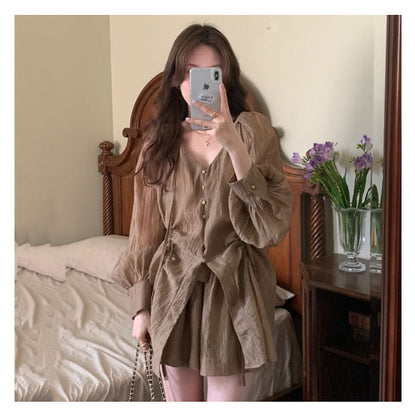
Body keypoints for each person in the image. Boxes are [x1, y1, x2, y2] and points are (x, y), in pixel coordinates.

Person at [112, 23, 293, 401]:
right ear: (176, 78)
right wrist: (140, 308)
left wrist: (233, 146)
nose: (199, 85)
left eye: (212, 73)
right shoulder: (158, 144)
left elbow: (270, 226)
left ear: (225, 79)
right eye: (190, 73)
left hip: (235, 292)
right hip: (174, 289)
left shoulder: (252, 132)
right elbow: (145, 233)